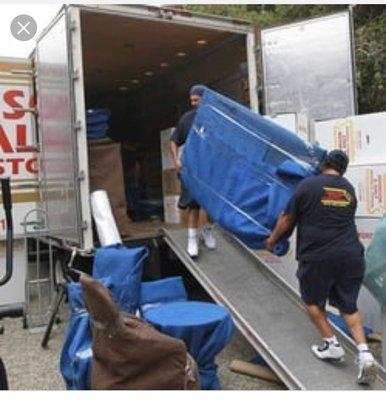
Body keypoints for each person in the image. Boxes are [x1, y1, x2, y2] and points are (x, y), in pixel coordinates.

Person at [265, 150, 377, 385]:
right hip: (351, 255)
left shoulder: (307, 185)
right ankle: (365, 353)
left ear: (323, 164)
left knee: (313, 303)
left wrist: (272, 240)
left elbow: (286, 218)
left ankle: (332, 344)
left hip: (319, 255)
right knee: (349, 306)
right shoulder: (348, 189)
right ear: (342, 170)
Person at [170, 85, 216, 258]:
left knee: (213, 206)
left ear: (204, 99)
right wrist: (176, 160)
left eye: (196, 100)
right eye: (192, 101)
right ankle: (192, 240)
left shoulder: (215, 120)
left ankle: (208, 230)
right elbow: (173, 141)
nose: (193, 103)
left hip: (210, 169)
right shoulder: (186, 119)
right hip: (191, 169)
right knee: (193, 205)